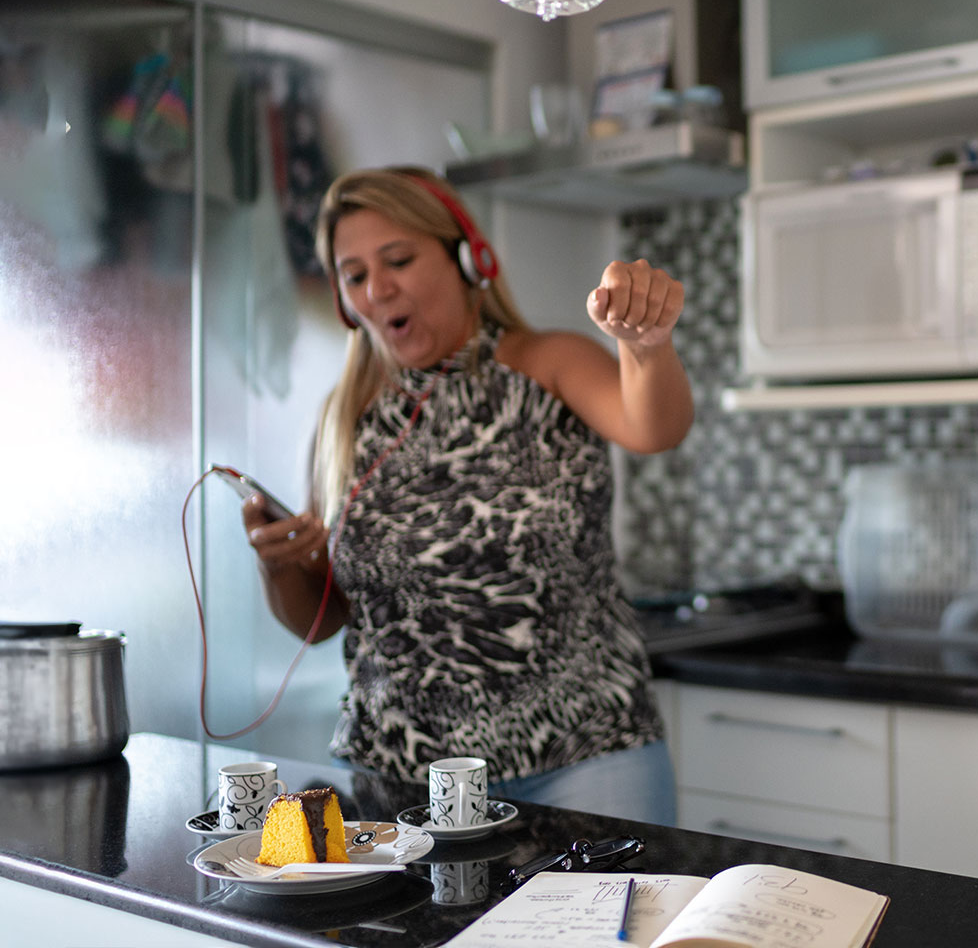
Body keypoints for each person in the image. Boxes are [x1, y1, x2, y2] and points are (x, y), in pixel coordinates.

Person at [242, 165, 692, 825]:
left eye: (398, 259)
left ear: (468, 259)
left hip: (587, 760)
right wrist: (279, 564)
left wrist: (646, 347)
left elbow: (656, 427)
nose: (377, 288)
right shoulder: (347, 418)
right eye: (354, 274)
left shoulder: (548, 363)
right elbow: (326, 619)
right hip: (397, 779)